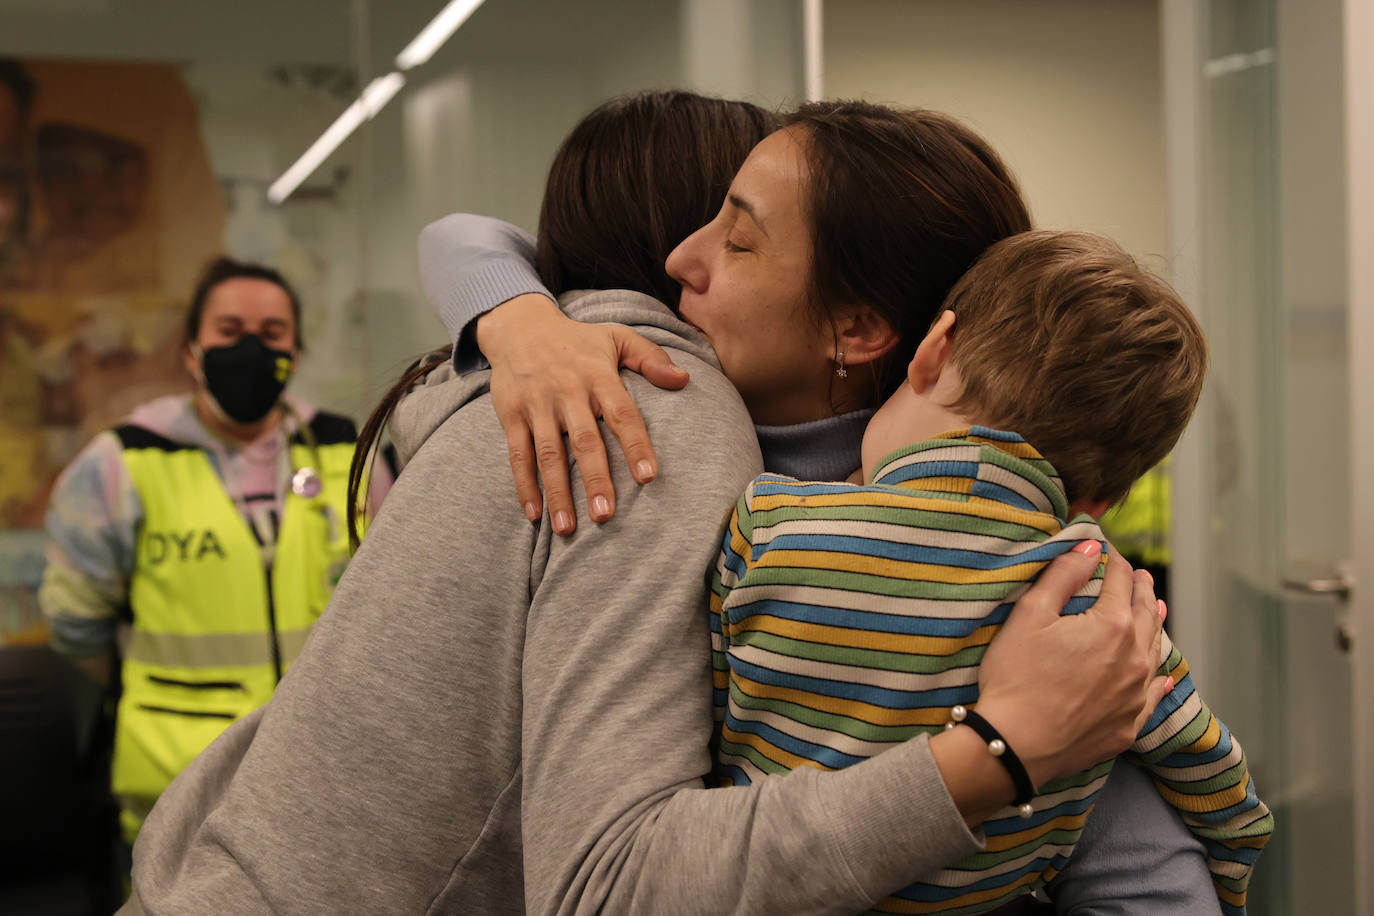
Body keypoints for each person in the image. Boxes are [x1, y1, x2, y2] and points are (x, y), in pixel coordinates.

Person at [125, 94, 1176, 915]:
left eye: (739, 233)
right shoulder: (645, 410)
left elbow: (1131, 838)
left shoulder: (712, 437)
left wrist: (519, 317)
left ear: (869, 330)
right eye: (703, 216)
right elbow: (613, 882)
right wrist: (517, 318)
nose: (685, 261)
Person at [710, 229, 1273, 915]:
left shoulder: (765, 521)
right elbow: (1214, 777)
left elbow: (708, 717)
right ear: (1103, 500)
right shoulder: (1104, 614)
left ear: (933, 351)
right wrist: (1235, 867)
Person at [39, 256, 385, 845]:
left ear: (295, 353)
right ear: (191, 352)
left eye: (271, 335)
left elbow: (388, 595)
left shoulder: (347, 449)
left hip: (324, 782)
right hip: (179, 793)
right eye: (229, 332)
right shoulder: (122, 462)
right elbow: (76, 621)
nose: (250, 349)